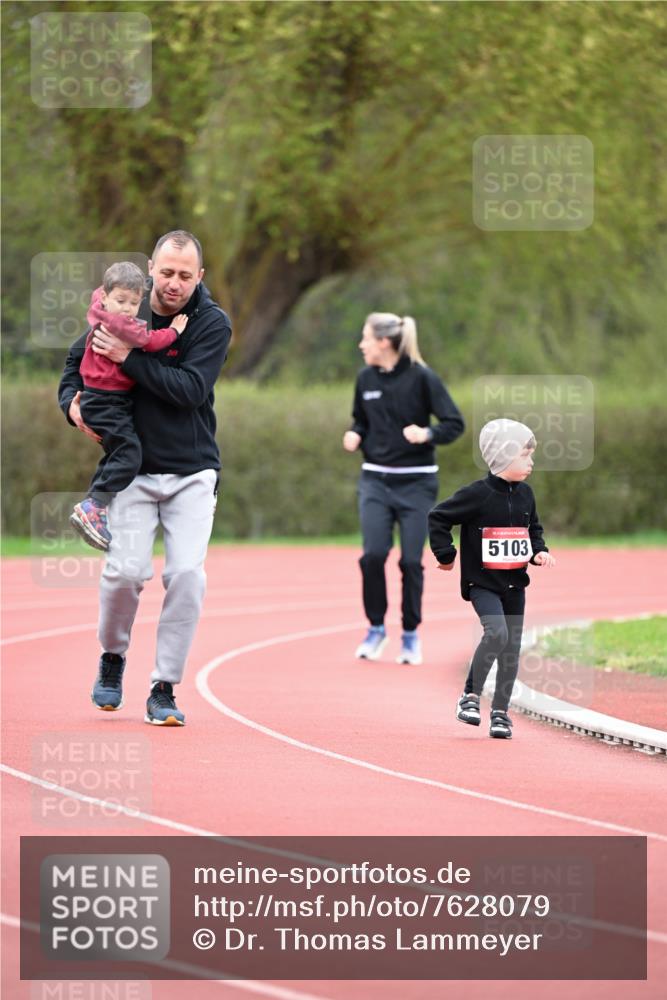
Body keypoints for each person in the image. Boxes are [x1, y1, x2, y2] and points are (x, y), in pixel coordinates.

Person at [58, 230, 232, 726]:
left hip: (193, 472)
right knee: (124, 574)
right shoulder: (123, 308)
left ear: (199, 277)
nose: (174, 283)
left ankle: (164, 687)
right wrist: (71, 407)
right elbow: (76, 363)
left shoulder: (210, 323)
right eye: (167, 272)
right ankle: (112, 658)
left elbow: (190, 390)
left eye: (185, 275)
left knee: (186, 578)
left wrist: (127, 358)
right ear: (151, 268)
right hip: (131, 472)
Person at [343, 312, 465, 665]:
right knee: (373, 556)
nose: (361, 345)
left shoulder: (423, 378)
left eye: (365, 338)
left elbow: (454, 423)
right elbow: (360, 420)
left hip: (417, 483)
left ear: (383, 342)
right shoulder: (365, 378)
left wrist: (427, 433)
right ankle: (376, 628)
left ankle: (410, 634)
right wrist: (356, 434)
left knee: (411, 561)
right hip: (374, 482)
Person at [428, 418, 556, 739]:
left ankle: (500, 713)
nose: (532, 462)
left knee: (511, 648)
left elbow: (533, 529)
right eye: (525, 456)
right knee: (496, 633)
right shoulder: (477, 495)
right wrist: (446, 554)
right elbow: (439, 517)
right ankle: (470, 696)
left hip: (515, 585)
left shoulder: (526, 495)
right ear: (503, 456)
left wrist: (538, 551)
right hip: (482, 584)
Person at [70, 261, 188, 552]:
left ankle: (93, 506)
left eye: (134, 303)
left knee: (117, 452)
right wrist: (174, 332)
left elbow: (110, 290)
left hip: (101, 399)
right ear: (106, 297)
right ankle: (95, 504)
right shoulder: (119, 325)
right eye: (120, 301)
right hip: (106, 400)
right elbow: (148, 341)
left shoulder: (99, 309)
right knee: (130, 454)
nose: (126, 309)